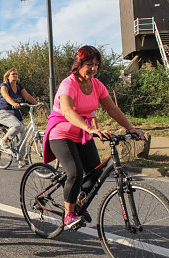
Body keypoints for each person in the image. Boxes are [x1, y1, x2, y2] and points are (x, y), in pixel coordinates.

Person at [43, 45, 144, 230]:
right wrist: (90, 129)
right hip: (61, 133)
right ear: (79, 64)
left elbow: (112, 109)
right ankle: (68, 214)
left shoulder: (97, 85)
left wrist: (131, 128)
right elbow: (67, 111)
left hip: (82, 133)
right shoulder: (69, 83)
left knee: (96, 171)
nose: (93, 68)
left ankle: (78, 202)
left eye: (96, 64)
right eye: (89, 64)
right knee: (75, 173)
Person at [0, 68, 38, 168]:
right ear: (8, 76)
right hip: (4, 112)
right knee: (17, 126)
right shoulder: (4, 85)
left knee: (23, 132)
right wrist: (13, 103)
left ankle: (20, 157)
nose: (15, 76)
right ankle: (4, 140)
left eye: (16, 74)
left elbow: (26, 96)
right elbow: (5, 96)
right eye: (13, 74)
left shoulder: (19, 87)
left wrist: (37, 104)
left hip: (15, 113)